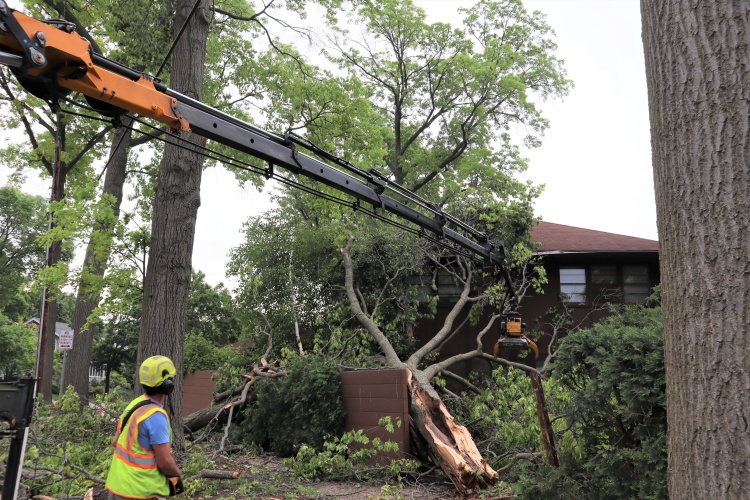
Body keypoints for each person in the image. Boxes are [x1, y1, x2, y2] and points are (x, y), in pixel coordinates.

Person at [105, 355, 184, 499]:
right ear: (168, 385)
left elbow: (115, 442)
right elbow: (165, 462)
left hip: (117, 489)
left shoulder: (134, 405)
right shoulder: (156, 416)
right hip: (142, 492)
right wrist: (178, 475)